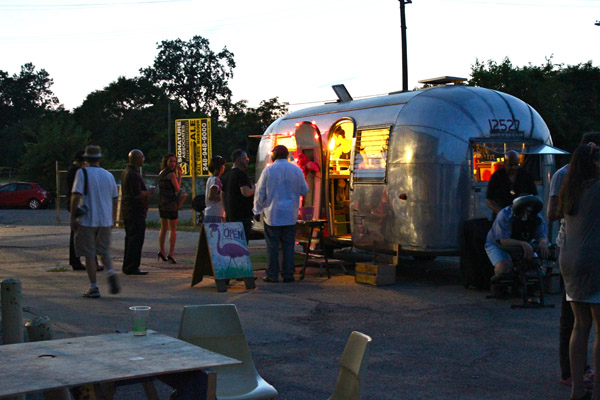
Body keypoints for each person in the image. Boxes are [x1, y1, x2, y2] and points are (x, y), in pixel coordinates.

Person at [548, 132, 600, 389]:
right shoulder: (596, 187)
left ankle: (577, 386)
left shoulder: (568, 186)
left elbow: (555, 213)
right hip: (593, 260)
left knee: (579, 324)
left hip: (569, 257)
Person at [253, 145, 309, 283]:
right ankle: (288, 274)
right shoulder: (296, 170)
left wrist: (256, 210)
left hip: (273, 215)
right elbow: (305, 190)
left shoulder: (268, 170)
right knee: (288, 246)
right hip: (290, 215)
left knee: (272, 246)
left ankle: (272, 274)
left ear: (274, 155)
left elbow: (260, 193)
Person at [69, 145, 120, 298]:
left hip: (87, 220)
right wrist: (112, 218)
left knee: (89, 253)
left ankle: (94, 286)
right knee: (104, 251)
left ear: (86, 159)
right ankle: (110, 272)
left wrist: (73, 217)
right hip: (105, 220)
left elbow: (75, 196)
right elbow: (115, 198)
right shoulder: (108, 175)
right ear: (99, 158)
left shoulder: (82, 173)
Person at [484, 194, 549, 277]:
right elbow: (503, 240)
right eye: (525, 210)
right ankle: (499, 285)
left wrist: (543, 242)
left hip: (524, 244)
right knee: (504, 267)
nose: (527, 213)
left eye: (529, 211)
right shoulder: (504, 215)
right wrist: (523, 244)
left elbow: (542, 235)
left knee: (535, 266)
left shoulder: (536, 217)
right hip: (498, 244)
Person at [121, 149, 156, 275]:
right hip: (135, 212)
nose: (144, 159)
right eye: (142, 157)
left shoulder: (128, 172)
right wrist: (149, 192)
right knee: (135, 240)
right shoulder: (132, 174)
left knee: (131, 239)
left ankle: (129, 265)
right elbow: (136, 194)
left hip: (130, 211)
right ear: (136, 159)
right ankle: (132, 266)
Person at [486, 150, 537, 220]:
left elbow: (534, 196)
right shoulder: (497, 176)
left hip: (522, 218)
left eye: (516, 165)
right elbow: (489, 200)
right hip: (501, 218)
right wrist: (502, 212)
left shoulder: (525, 176)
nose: (513, 167)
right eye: (510, 165)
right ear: (505, 163)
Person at [157, 153, 187, 264]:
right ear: (166, 162)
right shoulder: (171, 174)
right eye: (171, 161)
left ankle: (162, 251)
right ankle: (171, 253)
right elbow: (177, 189)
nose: (173, 163)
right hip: (170, 203)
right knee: (173, 229)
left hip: (162, 202)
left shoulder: (161, 173)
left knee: (163, 227)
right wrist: (180, 176)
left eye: (174, 161)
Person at [221, 149, 255, 243]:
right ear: (237, 160)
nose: (247, 160)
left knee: (234, 243)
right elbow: (245, 192)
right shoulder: (241, 174)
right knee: (242, 243)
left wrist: (226, 210)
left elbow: (222, 193)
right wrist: (257, 189)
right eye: (244, 158)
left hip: (231, 216)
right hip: (242, 216)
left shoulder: (228, 175)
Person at [66, 150, 85, 271]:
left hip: (72, 202)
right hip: (77, 203)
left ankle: (75, 260)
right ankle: (76, 260)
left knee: (76, 232)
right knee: (84, 232)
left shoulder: (71, 170)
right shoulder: (76, 171)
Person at [204, 155, 226, 223]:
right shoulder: (215, 180)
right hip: (215, 213)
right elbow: (211, 196)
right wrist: (224, 197)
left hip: (212, 213)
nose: (224, 167)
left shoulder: (211, 178)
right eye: (223, 165)